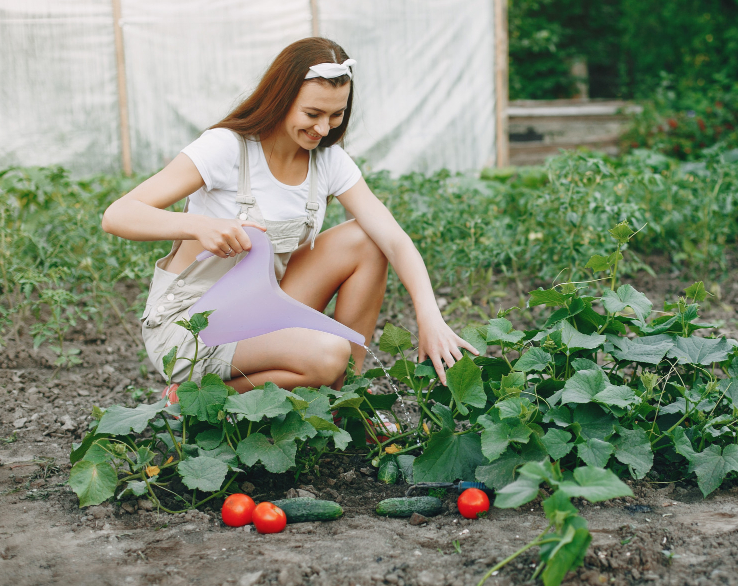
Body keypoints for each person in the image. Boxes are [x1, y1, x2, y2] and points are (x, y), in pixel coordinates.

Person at [102, 37, 476, 396]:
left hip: (256, 307)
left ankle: (346, 402)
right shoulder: (227, 148)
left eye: (336, 115)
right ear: (280, 99)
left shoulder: (327, 161)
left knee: (367, 240)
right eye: (312, 113)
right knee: (330, 354)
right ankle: (189, 400)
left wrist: (430, 317)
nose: (323, 128)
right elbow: (118, 215)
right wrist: (200, 225)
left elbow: (393, 239)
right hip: (192, 325)